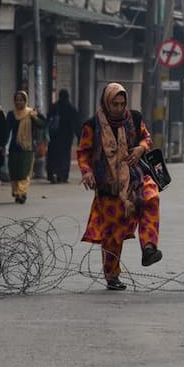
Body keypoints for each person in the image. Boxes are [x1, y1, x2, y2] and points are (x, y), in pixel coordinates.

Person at [77, 83, 162, 291]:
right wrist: (87, 171)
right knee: (113, 234)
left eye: (122, 103)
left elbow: (146, 138)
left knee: (151, 198)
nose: (119, 108)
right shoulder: (92, 125)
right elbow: (83, 152)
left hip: (135, 177)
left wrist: (141, 149)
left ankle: (149, 248)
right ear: (106, 103)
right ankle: (112, 275)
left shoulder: (134, 118)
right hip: (109, 184)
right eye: (114, 104)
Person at [6, 90, 46, 204]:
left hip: (27, 148)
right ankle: (16, 191)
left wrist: (35, 118)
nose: (19, 102)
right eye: (17, 100)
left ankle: (22, 193)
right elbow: (6, 130)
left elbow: (42, 125)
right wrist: (2, 144)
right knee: (14, 172)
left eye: (21, 100)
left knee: (24, 171)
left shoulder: (31, 113)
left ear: (25, 101)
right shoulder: (11, 114)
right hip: (14, 147)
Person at [47, 89, 81, 183]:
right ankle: (62, 176)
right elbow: (77, 124)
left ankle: (52, 174)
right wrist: (79, 137)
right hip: (67, 137)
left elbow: (48, 120)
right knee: (65, 156)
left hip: (54, 136)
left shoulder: (54, 107)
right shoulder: (71, 108)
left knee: (53, 156)